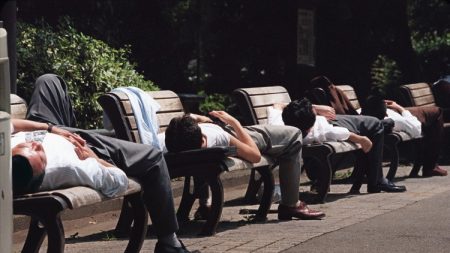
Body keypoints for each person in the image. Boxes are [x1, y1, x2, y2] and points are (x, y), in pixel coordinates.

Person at [11, 73, 197, 253]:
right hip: (85, 144)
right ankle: (169, 243)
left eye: (25, 147)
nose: (35, 144)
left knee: (48, 80)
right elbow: (118, 180)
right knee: (153, 158)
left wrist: (50, 128)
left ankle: (62, 127)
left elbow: (9, 123)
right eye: (40, 153)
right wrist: (94, 157)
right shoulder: (72, 166)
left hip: (49, 128)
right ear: (44, 168)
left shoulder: (7, 149)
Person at [164, 110, 326, 220]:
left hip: (221, 131)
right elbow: (254, 156)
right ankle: (291, 204)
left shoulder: (169, 140)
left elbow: (185, 124)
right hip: (242, 136)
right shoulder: (218, 136)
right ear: (202, 140)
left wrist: (198, 118)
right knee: (294, 133)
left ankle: (206, 204)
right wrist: (234, 122)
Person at [311, 75, 447, 177]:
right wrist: (399, 108)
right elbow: (416, 129)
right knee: (437, 112)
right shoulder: (396, 122)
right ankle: (430, 166)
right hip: (399, 114)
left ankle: (430, 165)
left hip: (386, 112)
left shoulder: (363, 114)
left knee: (436, 112)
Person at [269, 97, 406, 194]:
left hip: (330, 122)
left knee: (375, 125)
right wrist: (361, 139)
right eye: (313, 112)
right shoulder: (317, 133)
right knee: (375, 123)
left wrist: (315, 108)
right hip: (333, 124)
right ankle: (377, 180)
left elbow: (278, 105)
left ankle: (374, 179)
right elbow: (338, 133)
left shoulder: (278, 124)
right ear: (309, 128)